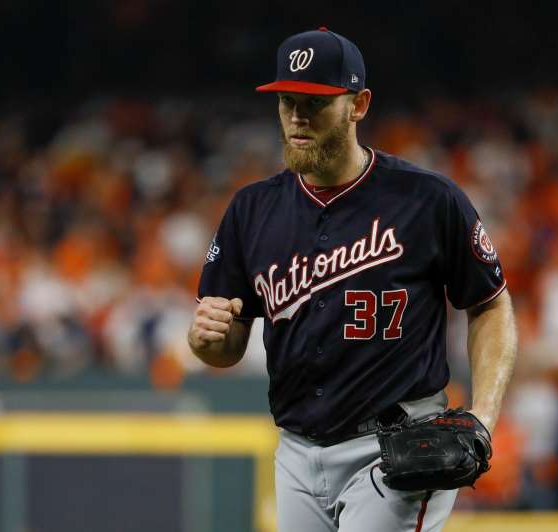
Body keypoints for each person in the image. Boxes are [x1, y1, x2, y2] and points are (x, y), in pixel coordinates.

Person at [188, 27, 518, 532]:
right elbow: (226, 347)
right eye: (286, 101)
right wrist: (207, 340)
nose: (297, 117)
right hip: (296, 452)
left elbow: (491, 305)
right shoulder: (250, 210)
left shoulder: (426, 200)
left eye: (315, 103)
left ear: (358, 105)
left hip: (394, 447)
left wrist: (484, 416)